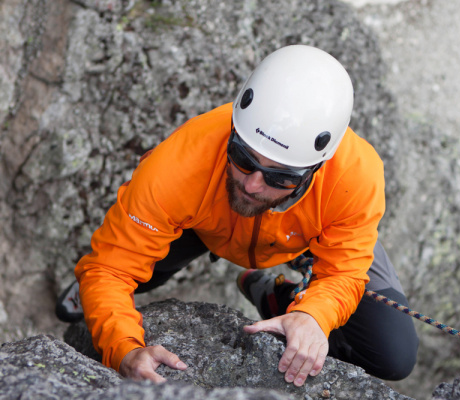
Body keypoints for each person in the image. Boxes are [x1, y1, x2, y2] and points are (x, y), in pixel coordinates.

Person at [56, 45, 419, 386]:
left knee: (393, 355)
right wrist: (123, 347)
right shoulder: (180, 163)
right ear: (233, 130)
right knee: (136, 274)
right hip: (204, 221)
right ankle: (84, 294)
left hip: (309, 234)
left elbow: (343, 271)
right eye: (243, 158)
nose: (252, 185)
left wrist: (313, 316)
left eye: (280, 177)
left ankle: (279, 299)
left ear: (315, 168)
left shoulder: (354, 177)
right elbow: (112, 269)